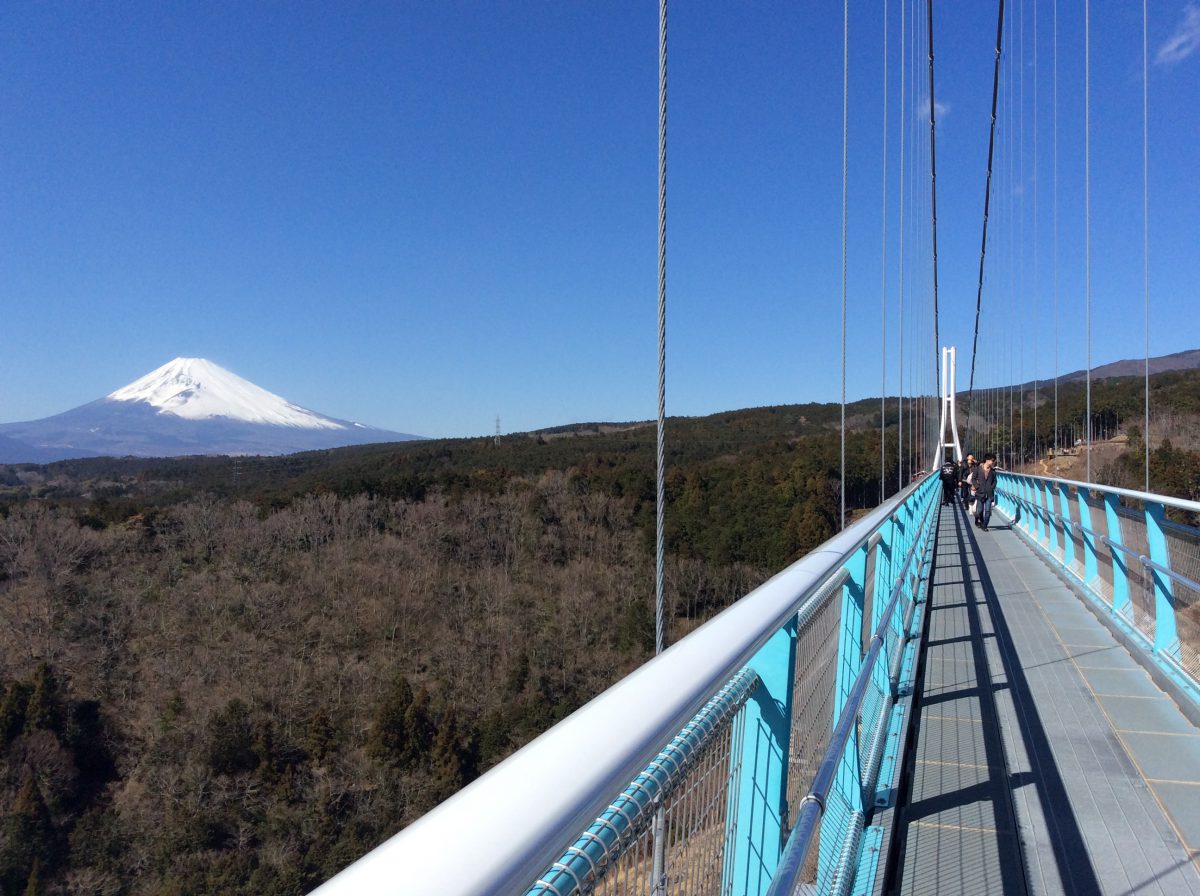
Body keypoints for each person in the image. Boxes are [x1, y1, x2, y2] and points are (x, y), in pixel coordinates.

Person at [972, 454, 998, 530]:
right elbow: (973, 479)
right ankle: (982, 521)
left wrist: (992, 487)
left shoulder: (993, 471)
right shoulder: (977, 469)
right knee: (979, 511)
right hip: (980, 493)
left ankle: (985, 526)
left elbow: (995, 481)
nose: (993, 462)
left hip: (989, 494)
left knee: (987, 511)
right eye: (992, 460)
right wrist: (977, 486)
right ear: (987, 460)